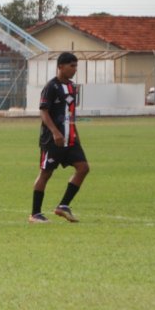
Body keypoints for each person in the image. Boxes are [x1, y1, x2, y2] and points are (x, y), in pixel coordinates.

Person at [29, 52, 90, 223]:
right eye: (72, 66)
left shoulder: (72, 87)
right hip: (52, 140)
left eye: (76, 66)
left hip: (70, 138)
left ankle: (63, 206)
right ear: (61, 66)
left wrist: (76, 134)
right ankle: (35, 214)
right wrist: (55, 132)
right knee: (46, 173)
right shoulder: (51, 87)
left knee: (83, 168)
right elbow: (43, 111)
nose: (75, 69)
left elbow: (70, 114)